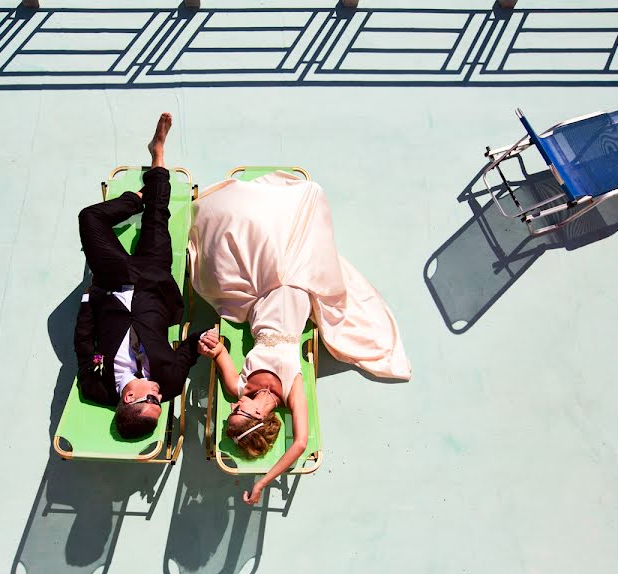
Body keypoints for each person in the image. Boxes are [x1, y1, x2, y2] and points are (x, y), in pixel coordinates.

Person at [191, 170, 411, 505]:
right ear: (260, 417)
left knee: (234, 230)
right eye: (240, 411)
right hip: (294, 288)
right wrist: (263, 482)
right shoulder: (291, 391)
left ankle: (255, 209)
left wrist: (209, 344)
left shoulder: (240, 386)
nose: (234, 404)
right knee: (310, 198)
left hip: (257, 297)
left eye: (233, 409)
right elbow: (300, 443)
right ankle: (274, 212)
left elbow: (218, 350)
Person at [74, 113, 201, 439]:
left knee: (89, 218)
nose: (160, 393)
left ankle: (134, 201)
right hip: (155, 285)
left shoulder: (97, 384)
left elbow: (86, 344)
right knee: (158, 217)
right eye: (161, 401)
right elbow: (189, 350)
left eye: (152, 398)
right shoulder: (170, 383)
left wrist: (90, 299)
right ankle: (157, 154)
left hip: (113, 282)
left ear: (128, 398)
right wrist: (205, 341)